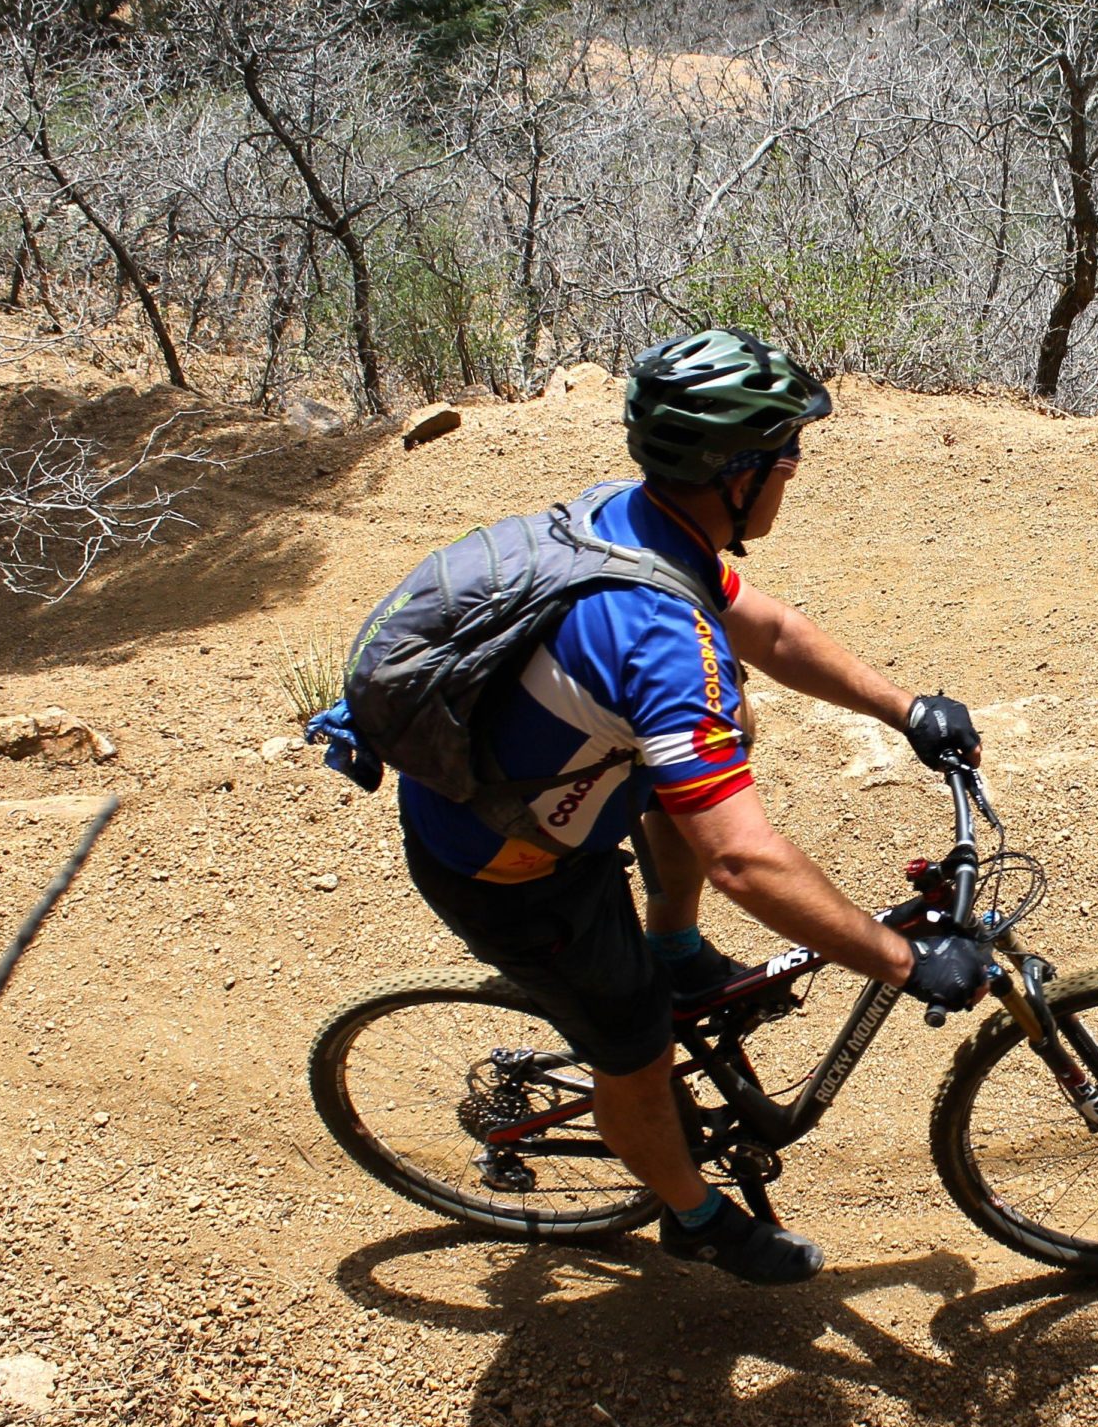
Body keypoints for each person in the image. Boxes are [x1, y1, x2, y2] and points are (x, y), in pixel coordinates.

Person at [398, 327, 994, 1285]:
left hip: (550, 786)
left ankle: (673, 947)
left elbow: (768, 625)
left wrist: (902, 707)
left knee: (729, 724)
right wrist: (902, 959)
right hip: (507, 868)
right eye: (786, 455)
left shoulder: (642, 523)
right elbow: (744, 860)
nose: (797, 469)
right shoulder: (659, 639)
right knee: (634, 1043)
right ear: (736, 473)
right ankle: (692, 1216)